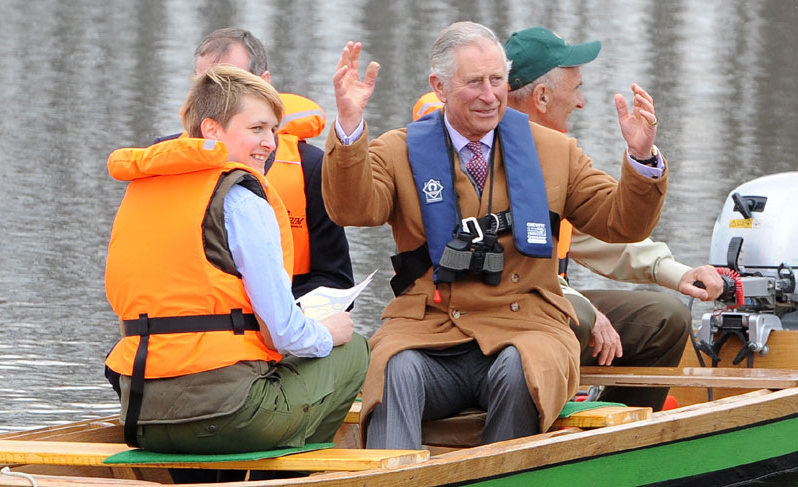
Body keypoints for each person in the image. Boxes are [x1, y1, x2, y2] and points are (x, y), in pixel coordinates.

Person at [322, 21, 668, 450]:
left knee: (520, 368)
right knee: (394, 368)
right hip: (430, 329)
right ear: (440, 86)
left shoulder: (555, 151)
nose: (489, 95)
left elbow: (624, 223)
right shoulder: (398, 150)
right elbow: (351, 209)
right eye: (474, 83)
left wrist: (640, 159)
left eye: (497, 80)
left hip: (527, 325)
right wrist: (350, 128)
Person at [103, 65, 369, 459]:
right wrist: (330, 331)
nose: (270, 143)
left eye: (273, 132)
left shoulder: (143, 191)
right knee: (354, 348)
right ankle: (294, 474)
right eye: (257, 129)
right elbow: (284, 332)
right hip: (227, 417)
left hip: (141, 416)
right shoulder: (241, 199)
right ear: (211, 130)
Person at [502, 26, 724, 410]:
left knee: (667, 318)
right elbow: (506, 272)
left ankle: (618, 431)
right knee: (582, 318)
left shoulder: (559, 158)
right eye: (576, 90)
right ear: (541, 96)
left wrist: (674, 272)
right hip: (504, 310)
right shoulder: (489, 152)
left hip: (551, 302)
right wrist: (578, 304)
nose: (582, 102)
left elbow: (602, 230)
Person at [159, 27, 354, 299]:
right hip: (185, 320)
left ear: (265, 83)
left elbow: (335, 280)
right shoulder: (162, 160)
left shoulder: (309, 167)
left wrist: (277, 320)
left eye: (231, 85)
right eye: (206, 85)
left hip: (278, 327)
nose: (215, 100)